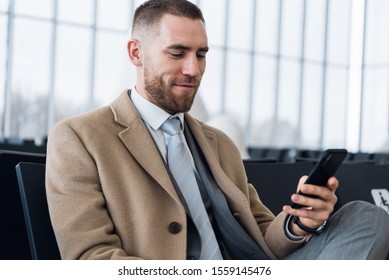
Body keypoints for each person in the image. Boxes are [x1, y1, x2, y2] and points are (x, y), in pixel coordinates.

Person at [45, 0, 389, 260]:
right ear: (136, 53)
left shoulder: (218, 144)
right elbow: (91, 258)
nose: (193, 69)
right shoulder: (81, 138)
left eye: (201, 54)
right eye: (177, 53)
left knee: (366, 218)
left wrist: (300, 222)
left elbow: (262, 235)